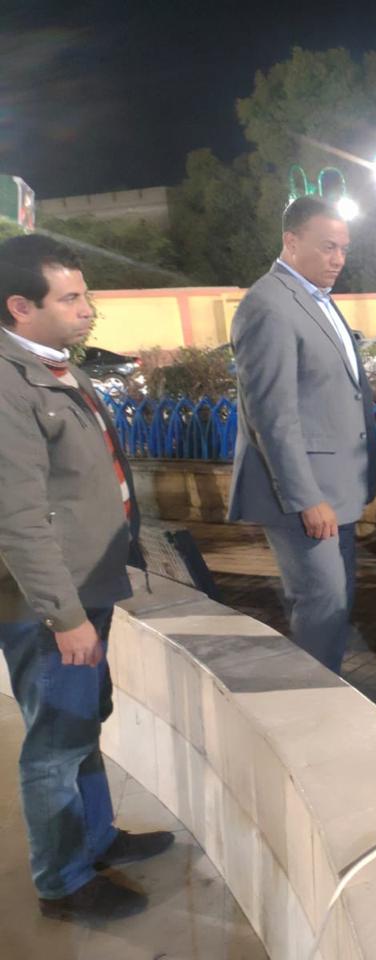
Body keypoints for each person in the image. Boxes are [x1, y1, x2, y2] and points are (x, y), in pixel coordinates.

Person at [0, 235, 174, 921]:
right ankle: (63, 882)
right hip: (50, 604)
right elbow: (17, 518)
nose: (87, 309)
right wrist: (64, 615)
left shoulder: (54, 367)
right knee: (54, 743)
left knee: (81, 722)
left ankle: (96, 838)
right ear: (20, 306)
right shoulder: (9, 385)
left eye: (84, 294)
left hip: (86, 585)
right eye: (70, 298)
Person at [228, 196, 376, 673]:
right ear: (291, 242)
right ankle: (315, 702)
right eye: (327, 247)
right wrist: (306, 497)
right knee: (322, 605)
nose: (338, 259)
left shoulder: (318, 300)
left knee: (335, 605)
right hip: (304, 496)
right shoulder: (268, 305)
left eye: (344, 248)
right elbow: (272, 415)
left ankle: (326, 690)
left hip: (339, 489)